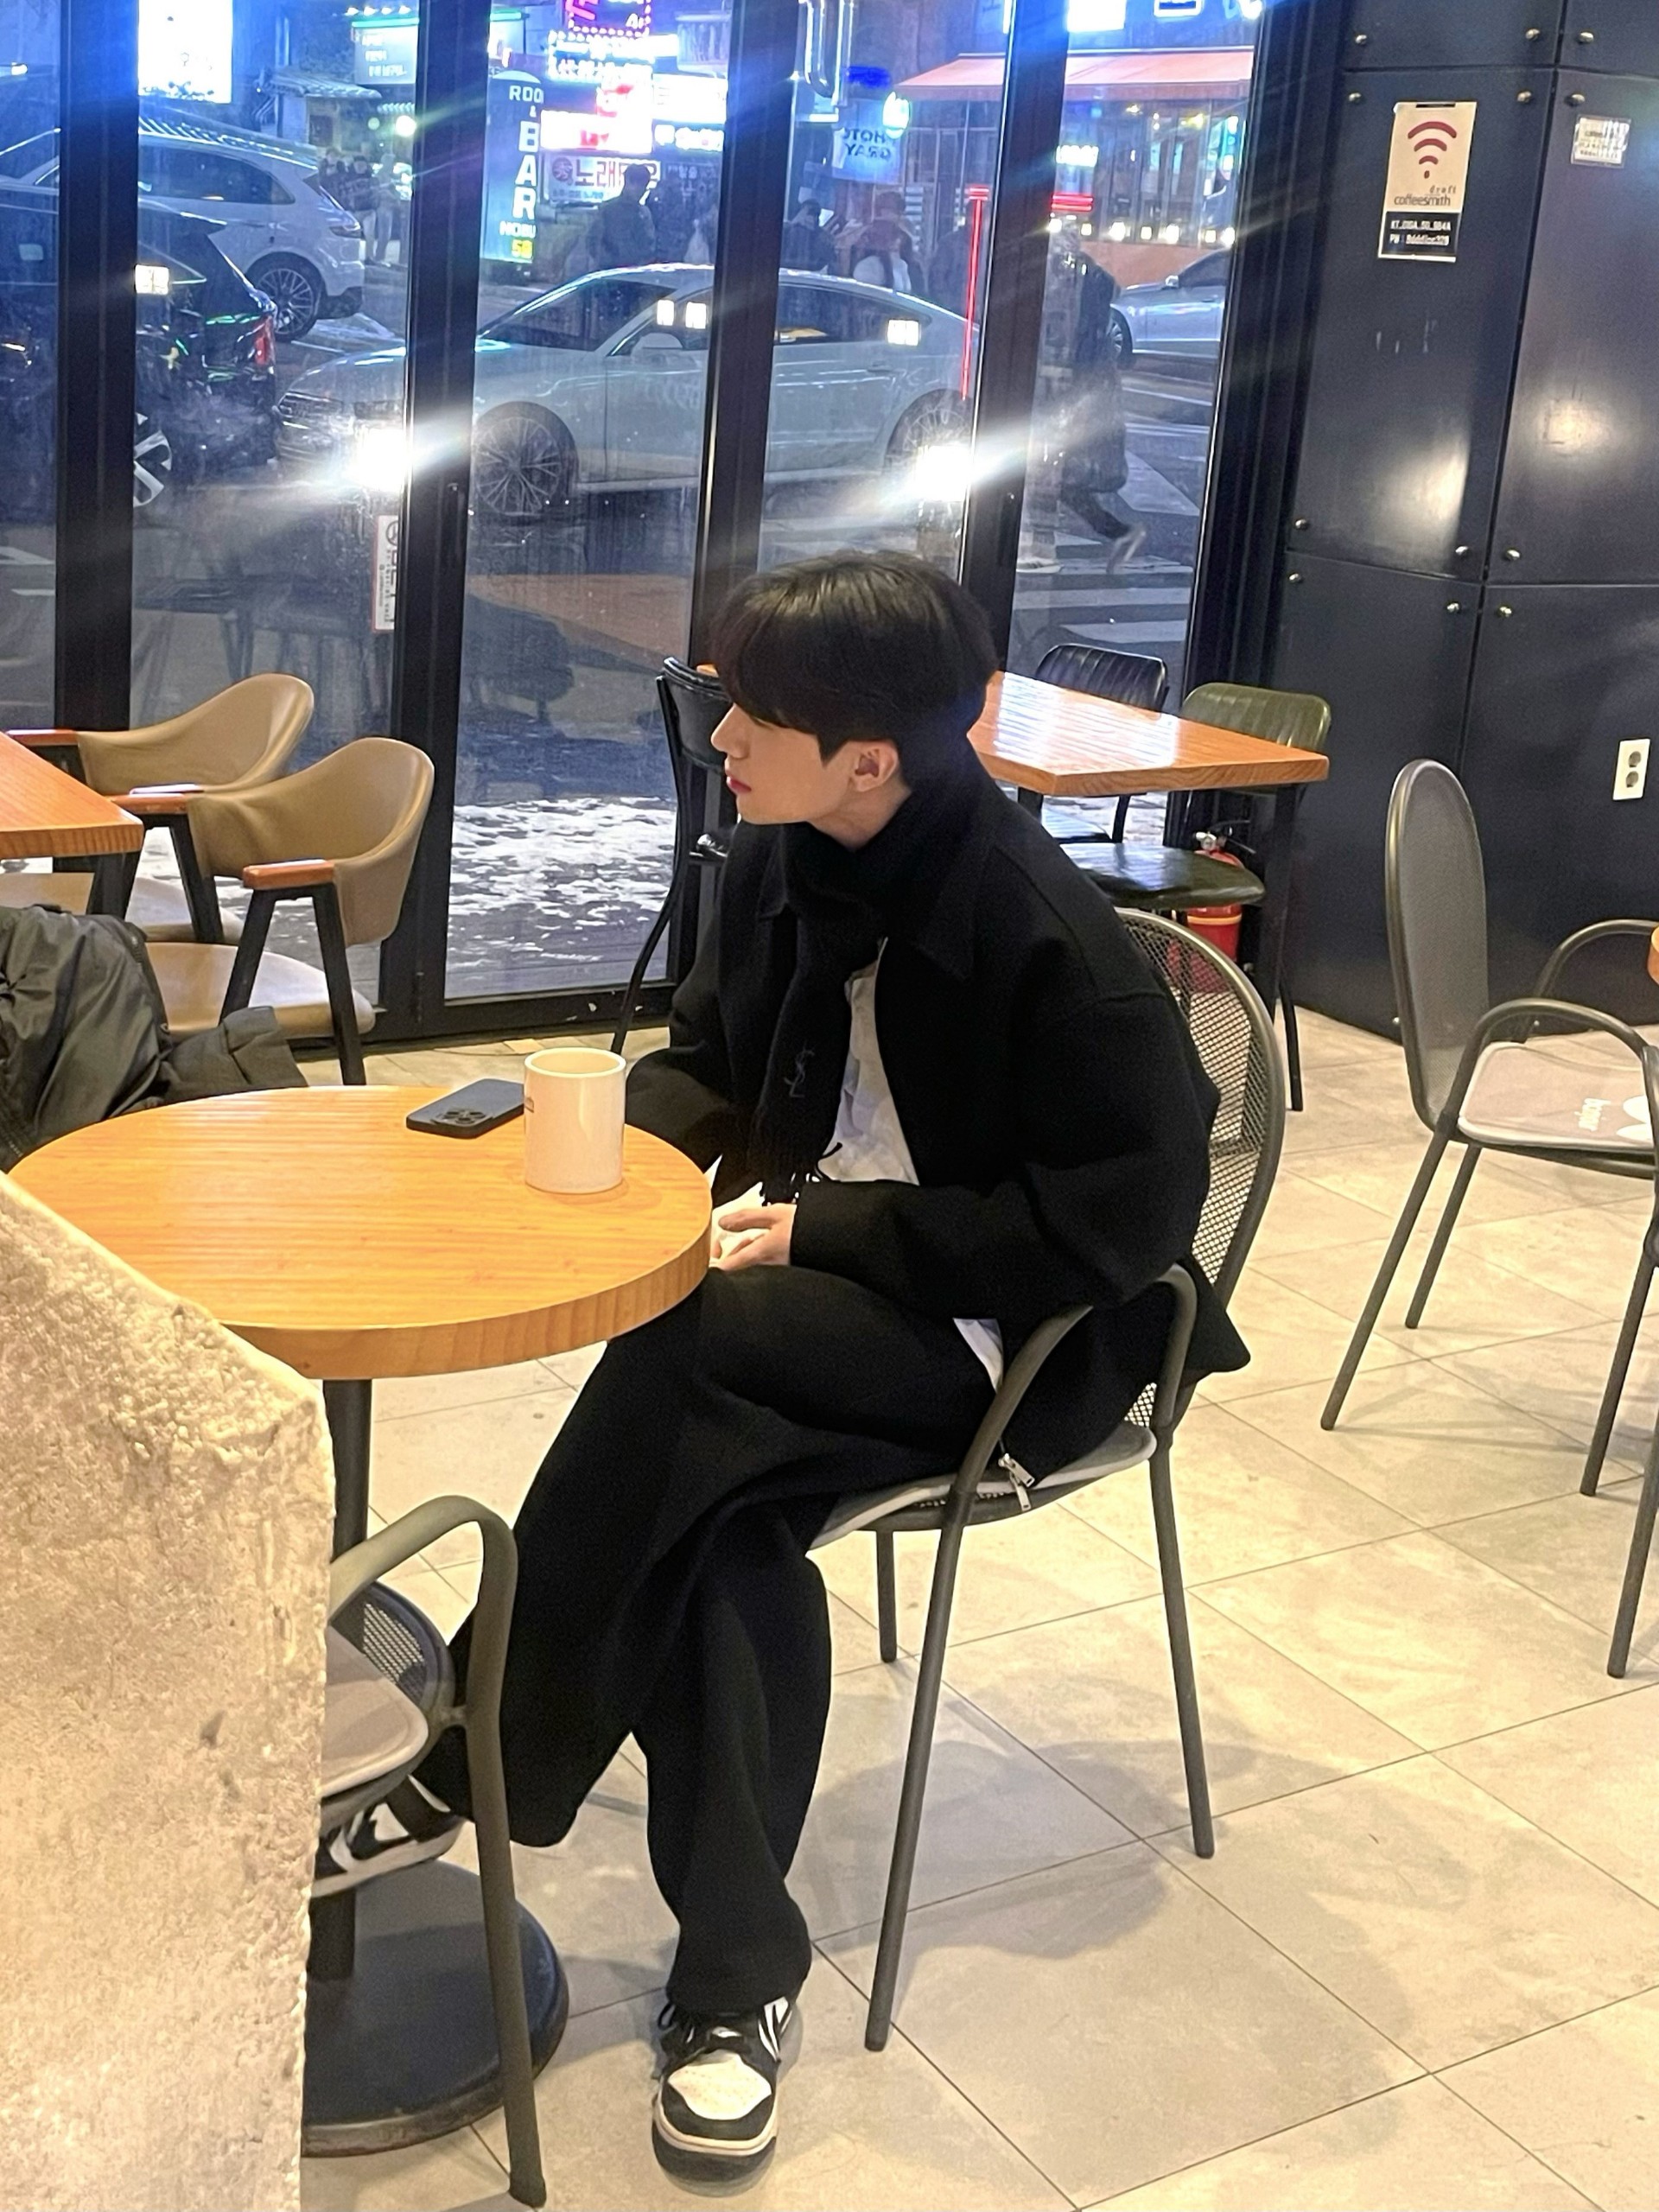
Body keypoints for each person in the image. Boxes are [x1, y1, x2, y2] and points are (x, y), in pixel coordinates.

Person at [399, 554, 1245, 2188]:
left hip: (1010, 1344)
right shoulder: (787, 862)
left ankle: (476, 1735)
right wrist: (588, 1152)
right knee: (724, 1531)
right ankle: (735, 1981)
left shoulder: (1053, 941)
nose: (718, 737)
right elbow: (718, 1066)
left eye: (753, 716)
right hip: (821, 1315)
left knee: (688, 1337)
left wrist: (831, 1231)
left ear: (871, 760)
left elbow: (1114, 1231)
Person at [587, 161, 656, 270]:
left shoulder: (644, 213)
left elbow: (649, 245)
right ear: (627, 182)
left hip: (636, 272)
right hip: (610, 271)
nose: (641, 192)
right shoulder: (607, 210)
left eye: (644, 187)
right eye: (638, 186)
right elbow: (593, 242)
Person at [781, 195, 834, 273]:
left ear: (817, 218)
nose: (810, 216)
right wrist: (795, 224)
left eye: (814, 213)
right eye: (807, 212)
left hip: (811, 276)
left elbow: (826, 261)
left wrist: (814, 232)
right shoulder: (785, 230)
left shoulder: (823, 238)